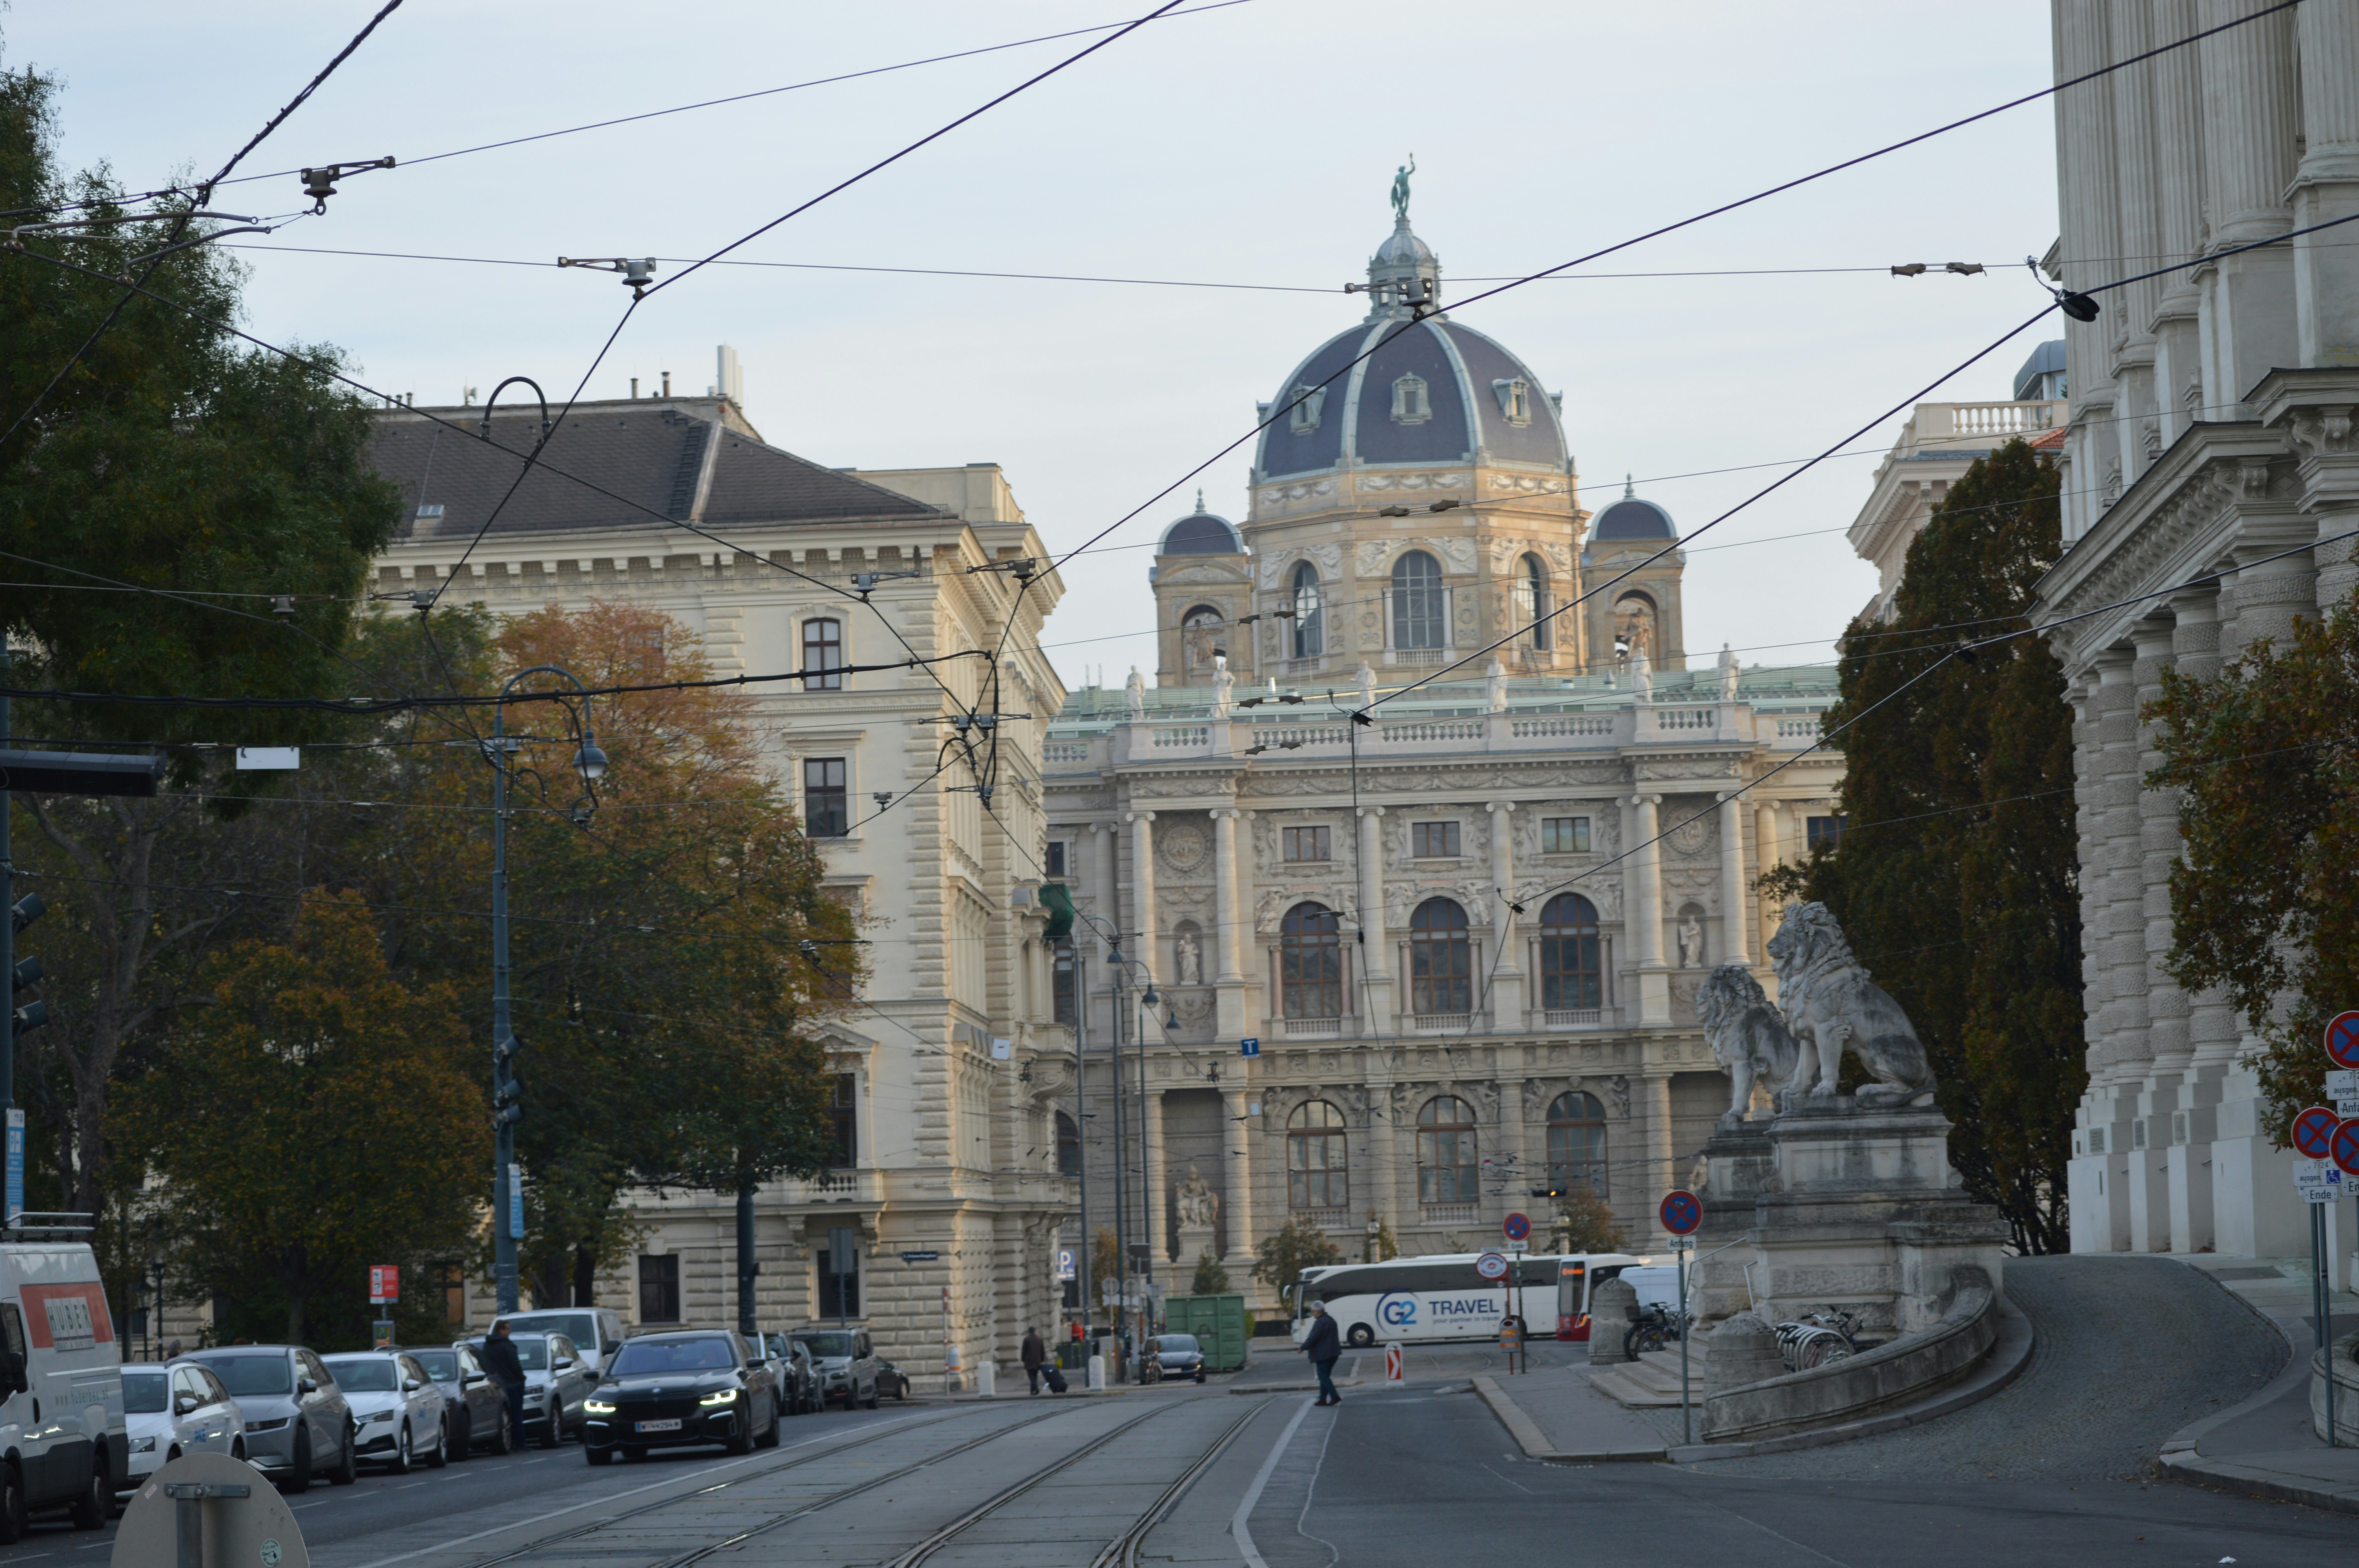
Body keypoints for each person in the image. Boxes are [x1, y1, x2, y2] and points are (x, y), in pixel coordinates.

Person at [478, 1318, 527, 1445]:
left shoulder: (487, 1345)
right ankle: (520, 1443)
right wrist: (521, 1378)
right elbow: (515, 1365)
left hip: (495, 1383)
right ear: (501, 1330)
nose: (510, 1332)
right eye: (508, 1329)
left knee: (501, 1415)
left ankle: (506, 1442)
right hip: (513, 1383)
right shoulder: (507, 1345)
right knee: (517, 1415)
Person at [1300, 1299, 1341, 1406]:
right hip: (1333, 1353)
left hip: (1324, 1354)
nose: (1313, 1314)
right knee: (1325, 1376)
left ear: (1318, 1312)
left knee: (1323, 1376)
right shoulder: (1331, 1320)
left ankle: (1334, 1396)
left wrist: (1303, 1348)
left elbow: (1313, 1337)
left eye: (1313, 1311)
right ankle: (1322, 1399)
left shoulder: (1320, 1322)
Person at [1021, 1327, 1047, 1395]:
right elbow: (1043, 1351)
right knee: (1035, 1376)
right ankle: (1033, 1391)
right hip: (1037, 1360)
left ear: (1029, 1331)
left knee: (1031, 1376)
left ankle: (1035, 1388)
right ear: (1035, 1331)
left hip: (1029, 1360)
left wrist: (1023, 1359)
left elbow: (1024, 1351)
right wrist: (1043, 1360)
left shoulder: (1027, 1339)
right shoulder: (1039, 1339)